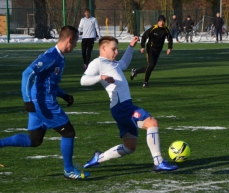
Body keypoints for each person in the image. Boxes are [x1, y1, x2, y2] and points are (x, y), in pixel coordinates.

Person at [0, 25, 90, 180]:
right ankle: (68, 171)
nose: (75, 46)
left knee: (34, 140)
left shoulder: (59, 57)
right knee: (68, 133)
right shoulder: (51, 56)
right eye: (75, 43)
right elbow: (26, 74)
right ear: (69, 39)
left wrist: (63, 95)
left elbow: (49, 82)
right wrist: (27, 100)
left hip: (41, 100)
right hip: (44, 103)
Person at [80, 36, 178, 172]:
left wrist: (131, 47)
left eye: (117, 49)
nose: (116, 52)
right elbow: (83, 80)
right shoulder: (98, 63)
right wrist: (100, 77)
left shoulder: (112, 63)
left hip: (121, 107)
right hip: (123, 107)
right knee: (152, 123)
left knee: (130, 146)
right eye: (113, 49)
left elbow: (124, 64)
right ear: (103, 48)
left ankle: (99, 158)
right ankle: (159, 162)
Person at [130, 15, 172, 88]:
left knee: (150, 67)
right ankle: (145, 83)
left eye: (163, 22)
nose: (162, 23)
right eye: (160, 21)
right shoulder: (153, 28)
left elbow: (170, 39)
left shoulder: (166, 30)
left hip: (158, 51)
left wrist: (169, 48)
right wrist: (142, 47)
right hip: (150, 49)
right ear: (158, 22)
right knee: (151, 65)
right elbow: (144, 36)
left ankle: (135, 72)